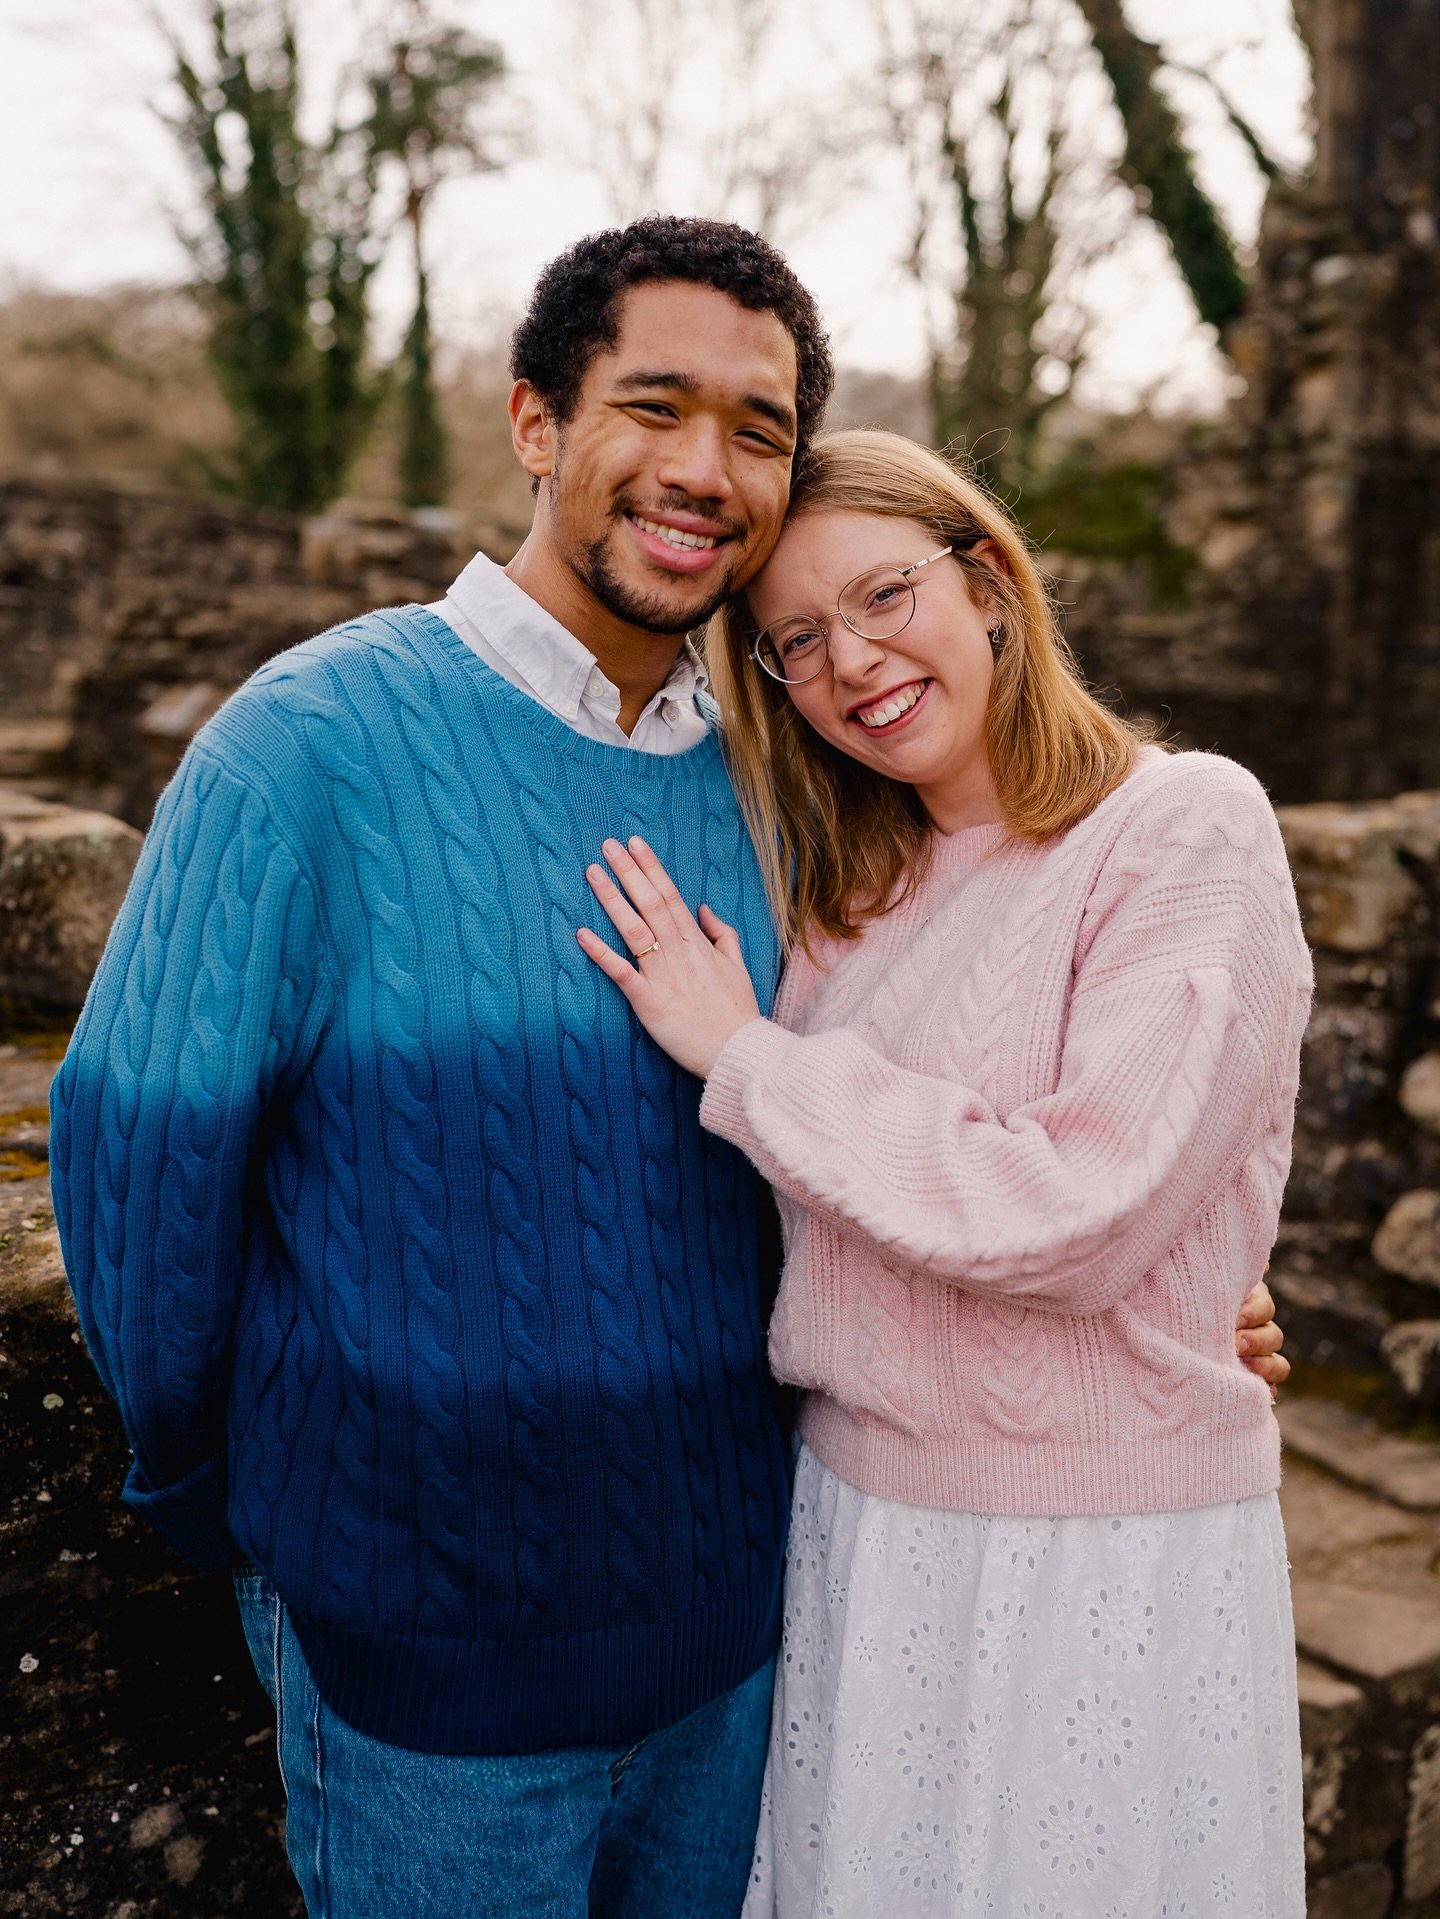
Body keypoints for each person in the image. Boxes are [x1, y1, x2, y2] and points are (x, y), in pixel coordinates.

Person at [49, 215, 1285, 1919]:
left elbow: (970, 1127)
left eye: (759, 430)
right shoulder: (306, 745)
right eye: (654, 405)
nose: (705, 467)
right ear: (535, 421)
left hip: (753, 1644)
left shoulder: (789, 800)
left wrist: (1177, 1284)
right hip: (431, 1672)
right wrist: (229, 1504)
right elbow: (136, 1165)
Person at [577, 426, 1310, 1916]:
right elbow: (824, 1211)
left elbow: (1082, 1213)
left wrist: (744, 1058)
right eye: (795, 641)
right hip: (857, 1535)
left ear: (985, 580)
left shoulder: (1183, 825)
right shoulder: (846, 895)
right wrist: (1188, 1291)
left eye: (883, 595)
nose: (849, 662)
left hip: (1094, 1557)